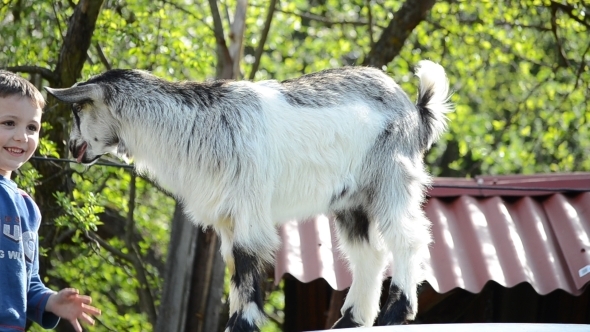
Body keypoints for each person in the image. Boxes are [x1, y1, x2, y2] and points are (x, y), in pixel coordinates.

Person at [0, 70, 101, 332]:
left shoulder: (27, 207)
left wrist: (51, 301)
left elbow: (28, 282)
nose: (22, 136)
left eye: (31, 127)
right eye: (9, 123)